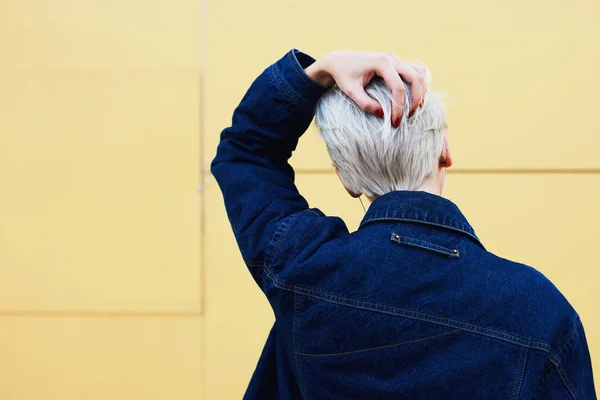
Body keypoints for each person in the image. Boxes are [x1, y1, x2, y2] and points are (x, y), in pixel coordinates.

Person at [211, 49, 596, 399]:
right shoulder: (541, 310)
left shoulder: (304, 268)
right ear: (444, 150)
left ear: (347, 180)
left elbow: (247, 153)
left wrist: (321, 70)